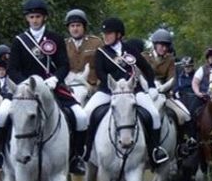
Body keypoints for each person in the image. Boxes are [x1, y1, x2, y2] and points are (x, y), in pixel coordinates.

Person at [0, 0, 89, 175]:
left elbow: (64, 65)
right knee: (1, 114)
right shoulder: (20, 40)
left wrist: (55, 79)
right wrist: (24, 84)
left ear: (44, 18)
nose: (34, 20)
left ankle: (76, 157)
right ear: (27, 19)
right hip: (24, 90)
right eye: (31, 17)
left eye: (37, 17)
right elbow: (12, 69)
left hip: (52, 88)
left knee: (80, 116)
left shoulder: (55, 38)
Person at [83, 17, 167, 166]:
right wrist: (116, 85)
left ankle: (155, 149)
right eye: (104, 33)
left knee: (153, 114)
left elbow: (147, 69)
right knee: (87, 112)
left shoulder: (131, 50)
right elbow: (101, 73)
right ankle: (87, 149)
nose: (105, 36)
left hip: (133, 90)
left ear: (119, 35)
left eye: (109, 33)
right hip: (108, 90)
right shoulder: (101, 52)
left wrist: (152, 87)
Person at [144, 28, 192, 140]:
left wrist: (162, 88)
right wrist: (151, 86)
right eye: (161, 45)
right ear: (155, 45)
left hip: (164, 94)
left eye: (166, 46)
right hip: (147, 93)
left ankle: (183, 142)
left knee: (184, 114)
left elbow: (172, 78)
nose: (164, 48)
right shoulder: (145, 57)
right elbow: (140, 75)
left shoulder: (170, 59)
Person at [63, 8, 102, 97]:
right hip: (69, 87)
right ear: (68, 28)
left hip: (92, 87)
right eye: (72, 26)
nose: (75, 29)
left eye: (78, 25)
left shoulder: (96, 42)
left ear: (84, 27)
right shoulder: (63, 44)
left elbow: (102, 66)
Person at [173, 56, 199, 147]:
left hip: (194, 96)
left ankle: (193, 136)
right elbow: (175, 86)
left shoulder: (196, 75)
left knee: (191, 112)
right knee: (178, 113)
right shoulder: (179, 76)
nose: (188, 68)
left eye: (189, 66)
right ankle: (181, 136)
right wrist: (176, 92)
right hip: (182, 97)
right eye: (186, 67)